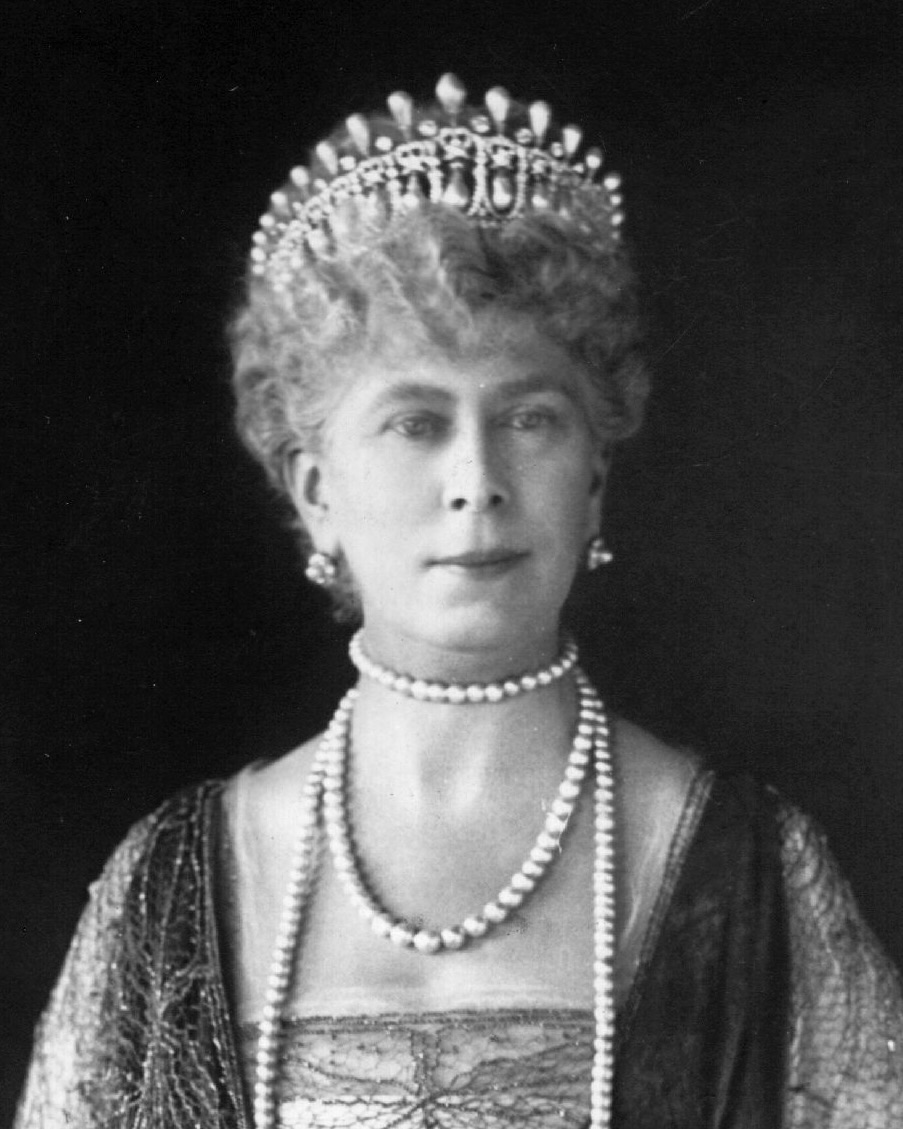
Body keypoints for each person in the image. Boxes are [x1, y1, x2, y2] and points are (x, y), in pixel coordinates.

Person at [15, 73, 903, 1129]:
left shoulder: (759, 875)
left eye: (529, 417)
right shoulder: (165, 889)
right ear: (316, 491)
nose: (477, 478)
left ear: (595, 481)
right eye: (415, 422)